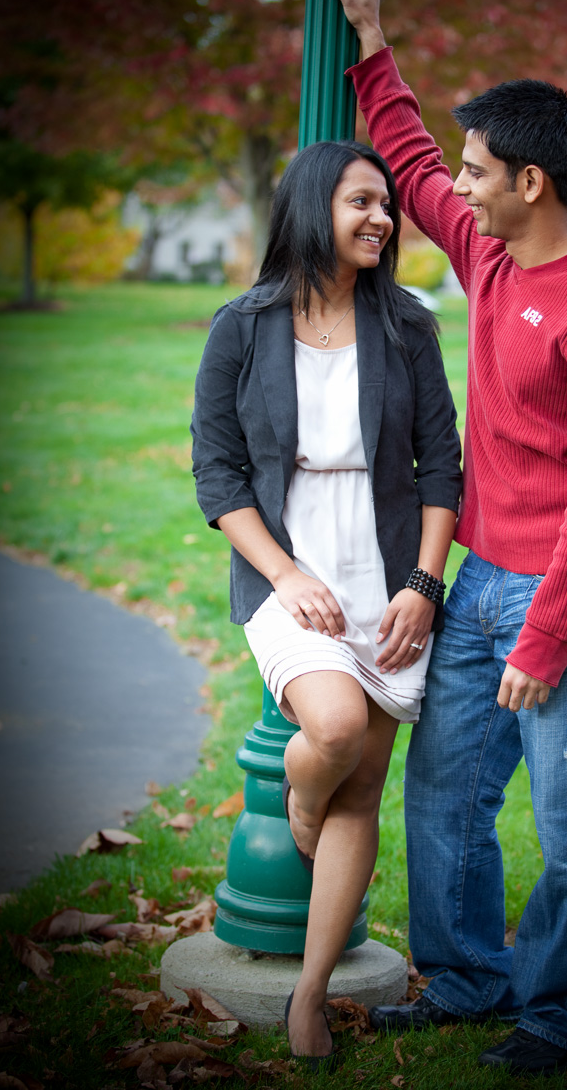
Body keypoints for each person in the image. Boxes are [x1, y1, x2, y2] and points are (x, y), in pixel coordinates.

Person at [326, 0, 567, 1076]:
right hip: (477, 580)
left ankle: (562, 1012)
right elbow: (413, 161)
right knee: (443, 801)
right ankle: (467, 978)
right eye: (467, 170)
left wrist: (548, 633)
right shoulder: (489, 253)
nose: (455, 187)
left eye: (481, 171)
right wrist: (376, 46)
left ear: (532, 182)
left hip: (566, 593)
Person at [190, 138, 461, 1066]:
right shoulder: (243, 326)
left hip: (387, 575)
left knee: (365, 789)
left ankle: (310, 994)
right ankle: (301, 801)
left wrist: (423, 585)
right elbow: (217, 475)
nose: (382, 218)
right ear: (313, 209)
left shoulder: (407, 326)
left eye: (386, 204)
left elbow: (443, 470)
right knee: (334, 732)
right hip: (287, 570)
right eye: (361, 202)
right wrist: (287, 573)